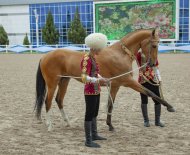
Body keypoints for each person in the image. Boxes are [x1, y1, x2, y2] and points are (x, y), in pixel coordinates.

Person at [81, 33, 108, 148]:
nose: (101, 51)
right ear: (94, 47)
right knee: (89, 114)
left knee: (95, 113)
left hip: (96, 90)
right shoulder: (86, 59)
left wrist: (102, 78)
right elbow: (83, 77)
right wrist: (97, 81)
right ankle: (88, 140)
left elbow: (95, 73)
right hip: (90, 91)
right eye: (100, 48)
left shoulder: (93, 58)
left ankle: (94, 134)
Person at [136, 50, 165, 128]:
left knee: (157, 100)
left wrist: (159, 78)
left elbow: (156, 67)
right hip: (143, 80)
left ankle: (157, 121)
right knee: (144, 100)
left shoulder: (153, 53)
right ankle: (146, 121)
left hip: (154, 80)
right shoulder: (139, 54)